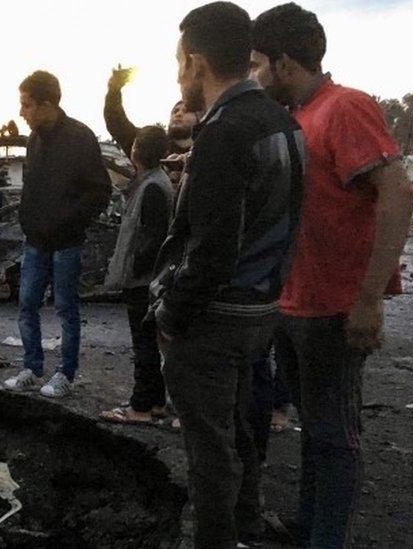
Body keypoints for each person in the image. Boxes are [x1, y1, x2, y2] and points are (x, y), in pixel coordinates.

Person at [252, 4, 413, 546]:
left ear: (282, 61)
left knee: (335, 433)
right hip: (296, 301)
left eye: (257, 64)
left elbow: (395, 192)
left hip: (335, 306)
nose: (254, 75)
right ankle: (307, 522)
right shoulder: (298, 114)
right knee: (313, 424)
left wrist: (369, 297)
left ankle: (326, 539)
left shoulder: (345, 107)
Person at [151, 3, 307, 546]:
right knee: (240, 433)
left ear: (196, 62)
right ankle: (245, 527)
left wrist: (172, 313)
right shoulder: (283, 121)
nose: (177, 75)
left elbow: (212, 250)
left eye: (178, 63)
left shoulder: (224, 131)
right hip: (259, 313)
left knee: (210, 451)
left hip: (214, 321)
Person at [3, 70, 111, 398]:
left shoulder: (80, 137)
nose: (21, 112)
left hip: (66, 243)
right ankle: (32, 368)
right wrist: (28, 220)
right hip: (35, 241)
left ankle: (65, 373)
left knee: (66, 308)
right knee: (27, 305)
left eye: (27, 105)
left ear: (47, 103)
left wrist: (68, 223)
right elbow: (32, 188)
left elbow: (100, 191)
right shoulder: (35, 139)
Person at [99, 126, 173, 421]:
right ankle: (154, 401)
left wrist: (136, 269)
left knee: (143, 346)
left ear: (137, 151)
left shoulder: (152, 186)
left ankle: (140, 406)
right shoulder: (152, 182)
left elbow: (152, 238)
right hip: (146, 279)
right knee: (149, 345)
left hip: (143, 282)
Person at [104, 66, 198, 157]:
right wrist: (114, 89)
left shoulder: (207, 151)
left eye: (187, 111)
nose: (179, 113)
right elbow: (117, 124)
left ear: (199, 118)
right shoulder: (150, 144)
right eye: (175, 111)